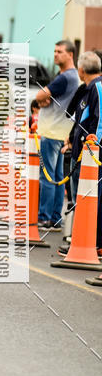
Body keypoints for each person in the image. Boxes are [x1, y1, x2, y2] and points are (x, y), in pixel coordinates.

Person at [35, 40, 79, 231]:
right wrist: (45, 98)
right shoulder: (71, 76)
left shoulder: (65, 77)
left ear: (70, 54)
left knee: (47, 177)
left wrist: (42, 98)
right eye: (54, 51)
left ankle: (44, 217)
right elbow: (46, 97)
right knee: (59, 177)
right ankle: (54, 218)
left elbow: (39, 96)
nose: (55, 54)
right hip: (60, 132)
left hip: (51, 131)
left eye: (59, 51)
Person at [64, 52, 102, 252]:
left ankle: (92, 242)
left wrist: (94, 146)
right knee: (80, 197)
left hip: (91, 155)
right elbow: (80, 119)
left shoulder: (97, 87)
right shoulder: (86, 89)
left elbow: (100, 120)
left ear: (81, 70)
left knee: (90, 198)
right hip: (81, 151)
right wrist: (71, 138)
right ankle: (80, 241)